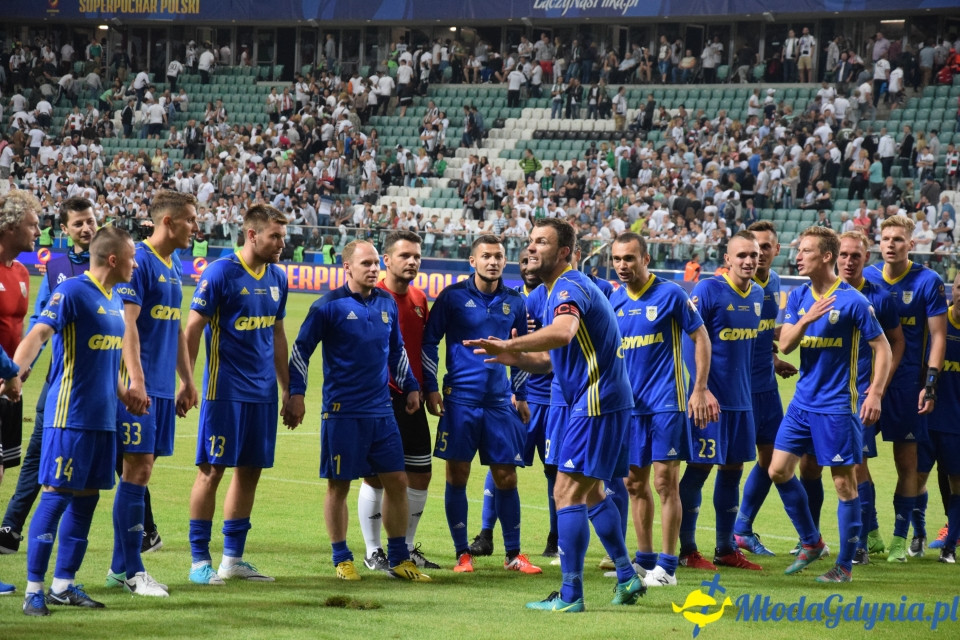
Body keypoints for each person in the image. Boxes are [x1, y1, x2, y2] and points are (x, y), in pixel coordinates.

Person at [466, 218, 643, 612]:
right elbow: (549, 360)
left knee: (565, 492)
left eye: (542, 242)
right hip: (602, 399)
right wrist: (512, 356)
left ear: (564, 252)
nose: (532, 249)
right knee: (592, 492)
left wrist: (511, 342)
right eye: (530, 241)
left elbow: (563, 332)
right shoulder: (551, 291)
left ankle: (570, 595)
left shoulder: (568, 285)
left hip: (595, 401)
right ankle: (627, 577)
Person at [5, 226, 142, 616]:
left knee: (87, 500)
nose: (135, 264)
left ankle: (63, 585)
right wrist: (14, 373)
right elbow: (39, 333)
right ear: (113, 260)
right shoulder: (73, 292)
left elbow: (106, 360)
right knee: (55, 496)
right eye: (131, 257)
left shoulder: (115, 298)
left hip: (103, 421)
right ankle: (34, 590)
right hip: (70, 418)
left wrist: (125, 393)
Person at [283, 239, 430, 582]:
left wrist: (410, 387)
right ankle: (342, 557)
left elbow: (398, 351)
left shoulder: (386, 304)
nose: (374, 269)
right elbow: (301, 351)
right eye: (366, 263)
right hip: (342, 412)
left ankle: (398, 559)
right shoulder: (327, 306)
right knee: (339, 486)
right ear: (347, 267)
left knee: (396, 481)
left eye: (376, 263)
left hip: (382, 412)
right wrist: (297, 395)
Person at [768, 226, 891, 583]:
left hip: (837, 406)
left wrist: (876, 393)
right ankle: (811, 541)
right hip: (802, 403)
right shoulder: (798, 296)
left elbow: (882, 348)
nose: (799, 256)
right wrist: (807, 317)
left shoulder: (853, 301)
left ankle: (845, 566)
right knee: (778, 470)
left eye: (806, 251)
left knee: (843, 484)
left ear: (826, 256)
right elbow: (787, 344)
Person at [184, 204, 290, 585]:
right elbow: (192, 329)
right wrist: (188, 382)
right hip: (223, 391)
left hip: (261, 395)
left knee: (250, 473)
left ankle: (232, 560)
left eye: (283, 235)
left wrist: (287, 389)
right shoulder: (220, 274)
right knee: (211, 472)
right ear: (252, 234)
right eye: (275, 236)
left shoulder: (278, 276)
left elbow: (277, 335)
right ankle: (199, 561)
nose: (282, 242)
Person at [422, 235, 540, 575]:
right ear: (472, 261)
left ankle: (514, 554)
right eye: (486, 256)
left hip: (499, 401)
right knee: (457, 474)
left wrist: (521, 394)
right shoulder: (452, 298)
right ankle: (462, 554)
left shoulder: (515, 301)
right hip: (460, 400)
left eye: (499, 256)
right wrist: (432, 388)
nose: (493, 261)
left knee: (506, 476)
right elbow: (430, 343)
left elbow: (518, 351)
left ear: (506, 262)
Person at [610, 232, 718, 587]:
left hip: (666, 404)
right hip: (630, 408)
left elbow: (701, 337)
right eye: (617, 259)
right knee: (633, 483)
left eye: (629, 258)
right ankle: (644, 561)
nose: (623, 265)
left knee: (664, 482)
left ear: (645, 258)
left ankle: (668, 568)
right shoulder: (614, 301)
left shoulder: (670, 293)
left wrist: (699, 388)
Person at [106, 191, 200, 597]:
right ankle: (133, 571)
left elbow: (175, 326)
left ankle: (116, 568)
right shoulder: (140, 262)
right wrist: (138, 381)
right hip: (139, 388)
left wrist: (188, 380)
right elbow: (128, 325)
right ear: (168, 222)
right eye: (191, 220)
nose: (196, 227)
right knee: (136, 472)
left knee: (141, 475)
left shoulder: (173, 263)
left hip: (163, 388)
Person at [677, 231, 764, 572]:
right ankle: (687, 549)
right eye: (741, 255)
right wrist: (700, 389)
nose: (747, 261)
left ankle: (726, 548)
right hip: (709, 401)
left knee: (733, 470)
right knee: (698, 469)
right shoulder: (708, 290)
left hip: (742, 402)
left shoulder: (757, 293)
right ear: (727, 259)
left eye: (753, 256)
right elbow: (690, 344)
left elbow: (745, 348)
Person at [863, 215, 947, 562]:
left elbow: (939, 336)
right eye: (885, 238)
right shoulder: (866, 277)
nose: (890, 244)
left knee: (907, 463)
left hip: (908, 385)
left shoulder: (928, 281)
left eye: (898, 239)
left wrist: (929, 384)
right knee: (856, 459)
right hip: (867, 384)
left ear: (911, 243)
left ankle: (902, 537)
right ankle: (870, 532)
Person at [355, 230, 440, 573]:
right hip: (379, 398)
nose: (412, 262)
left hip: (413, 396)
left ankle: (404, 547)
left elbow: (422, 349)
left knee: (420, 475)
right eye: (404, 256)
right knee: (377, 477)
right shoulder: (373, 298)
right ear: (386, 260)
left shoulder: (419, 298)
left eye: (417, 256)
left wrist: (426, 388)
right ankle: (374, 550)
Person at [471, 248, 559, 562]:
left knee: (555, 470)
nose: (529, 266)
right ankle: (485, 533)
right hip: (516, 400)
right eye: (524, 261)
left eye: (534, 260)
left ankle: (555, 536)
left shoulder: (561, 298)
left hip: (556, 400)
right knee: (500, 465)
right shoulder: (509, 301)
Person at [733, 222, 799, 556]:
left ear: (775, 251)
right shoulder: (727, 285)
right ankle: (700, 541)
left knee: (772, 457)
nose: (757, 255)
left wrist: (774, 360)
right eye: (751, 248)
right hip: (736, 389)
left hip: (766, 385)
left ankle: (741, 529)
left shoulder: (772, 283)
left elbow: (760, 333)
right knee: (725, 464)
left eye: (764, 248)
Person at [0, 191, 41, 594]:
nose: (38, 231)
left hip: (8, 389)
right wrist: (10, 370)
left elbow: (19, 332)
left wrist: (18, 372)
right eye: (31, 224)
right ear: (10, 227)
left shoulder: (23, 274)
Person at [925, 272, 960, 564]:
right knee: (919, 478)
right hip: (929, 416)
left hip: (957, 422)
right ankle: (914, 536)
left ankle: (952, 540)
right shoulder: (937, 321)